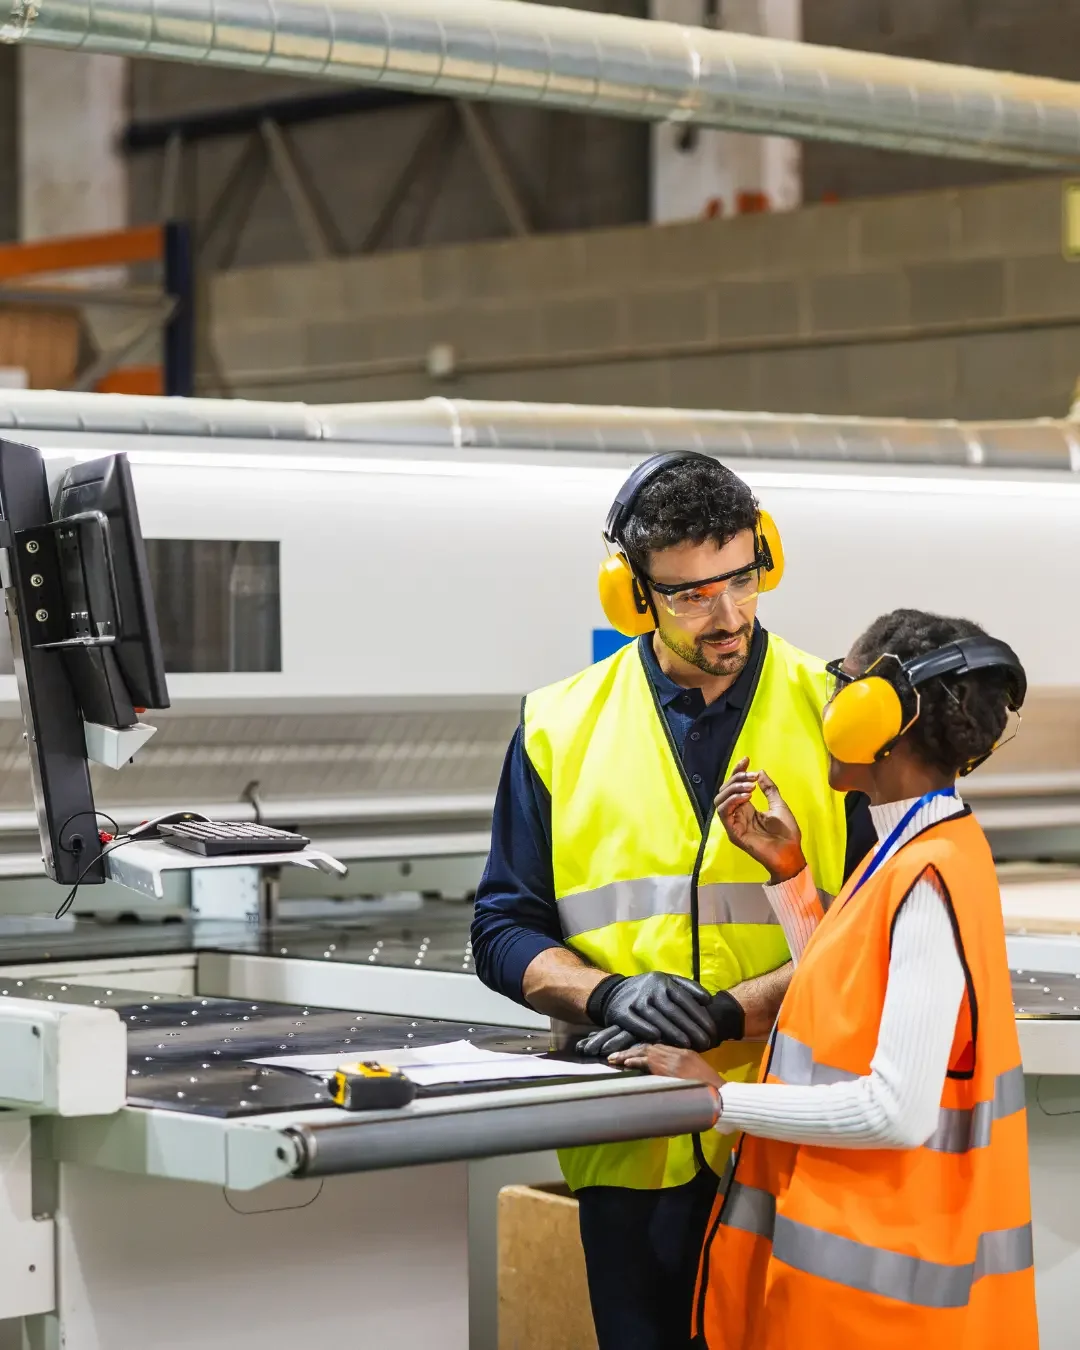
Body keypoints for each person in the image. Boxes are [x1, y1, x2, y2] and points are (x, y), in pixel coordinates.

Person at [470, 451, 875, 1350]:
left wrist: (733, 1013)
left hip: (788, 1129)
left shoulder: (833, 712)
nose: (726, 615)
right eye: (691, 595)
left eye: (742, 580)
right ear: (634, 597)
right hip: (629, 1134)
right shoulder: (558, 725)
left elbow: (866, 933)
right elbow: (501, 928)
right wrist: (604, 995)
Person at [612, 608, 1038, 1350]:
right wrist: (791, 876)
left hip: (881, 1313)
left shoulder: (929, 876)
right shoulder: (909, 848)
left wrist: (714, 1100)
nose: (829, 706)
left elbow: (896, 1111)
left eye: (846, 687)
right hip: (852, 1295)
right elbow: (843, 994)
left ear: (880, 717)